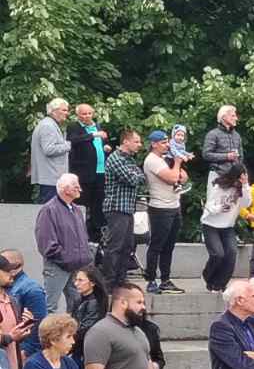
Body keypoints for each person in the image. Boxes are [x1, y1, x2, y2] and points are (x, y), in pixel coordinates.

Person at [35, 172, 93, 311]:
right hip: (57, 267)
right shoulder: (48, 210)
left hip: (77, 267)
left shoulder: (77, 210)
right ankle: (47, 327)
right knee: (50, 306)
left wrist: (85, 258)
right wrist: (66, 259)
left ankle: (72, 326)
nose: (80, 189)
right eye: (75, 186)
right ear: (65, 189)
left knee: (77, 304)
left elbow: (83, 238)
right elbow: (46, 243)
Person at [142, 129, 187, 294]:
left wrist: (176, 166)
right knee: (157, 245)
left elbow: (184, 177)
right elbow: (173, 178)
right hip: (160, 208)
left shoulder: (165, 159)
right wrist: (178, 162)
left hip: (174, 206)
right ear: (154, 144)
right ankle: (151, 280)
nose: (167, 145)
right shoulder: (152, 160)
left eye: (168, 142)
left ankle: (165, 279)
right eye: (163, 142)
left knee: (169, 246)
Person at [101, 129, 146, 287]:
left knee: (127, 246)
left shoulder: (130, 160)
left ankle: (121, 280)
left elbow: (142, 177)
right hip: (116, 208)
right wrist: (136, 176)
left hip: (128, 209)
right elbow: (132, 179)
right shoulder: (115, 158)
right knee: (115, 246)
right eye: (136, 141)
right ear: (125, 142)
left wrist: (137, 176)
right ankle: (109, 282)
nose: (139, 145)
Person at [200, 162, 249, 292]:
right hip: (211, 224)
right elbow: (209, 206)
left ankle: (220, 283)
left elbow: (246, 203)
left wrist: (245, 185)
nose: (239, 182)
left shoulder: (241, 189)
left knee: (231, 253)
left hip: (227, 226)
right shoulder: (219, 186)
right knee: (218, 254)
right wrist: (220, 208)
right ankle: (208, 276)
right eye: (239, 179)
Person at [65, 104, 109, 239]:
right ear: (78, 115)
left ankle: (96, 236)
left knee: (98, 203)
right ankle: (80, 233)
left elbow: (99, 144)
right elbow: (73, 140)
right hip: (83, 173)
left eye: (89, 113)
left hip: (100, 171)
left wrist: (105, 148)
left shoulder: (97, 126)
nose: (87, 116)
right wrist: (93, 135)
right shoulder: (74, 126)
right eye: (84, 114)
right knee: (82, 203)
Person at [29, 99, 72, 204]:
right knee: (50, 208)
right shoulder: (48, 126)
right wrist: (68, 145)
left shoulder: (50, 124)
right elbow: (49, 149)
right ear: (54, 111)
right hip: (50, 177)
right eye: (64, 110)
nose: (67, 113)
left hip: (51, 176)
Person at [202, 105, 244, 171]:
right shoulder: (213, 134)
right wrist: (226, 156)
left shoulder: (237, 135)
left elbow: (240, 157)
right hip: (217, 174)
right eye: (233, 116)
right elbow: (206, 155)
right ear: (224, 117)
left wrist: (241, 171)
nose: (236, 118)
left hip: (234, 175)